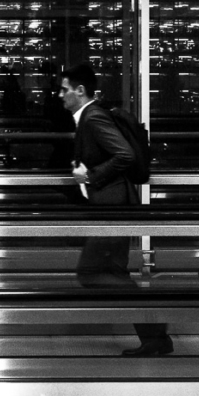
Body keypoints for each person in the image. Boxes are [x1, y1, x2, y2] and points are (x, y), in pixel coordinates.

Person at [59, 62, 173, 357]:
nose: (61, 95)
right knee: (113, 271)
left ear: (80, 91)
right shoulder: (89, 117)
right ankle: (155, 337)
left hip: (112, 209)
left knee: (89, 272)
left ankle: (155, 325)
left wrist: (91, 176)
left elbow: (124, 155)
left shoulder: (93, 117)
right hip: (112, 206)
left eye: (64, 89)